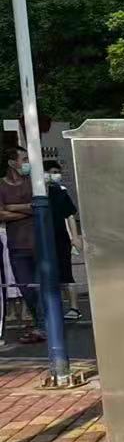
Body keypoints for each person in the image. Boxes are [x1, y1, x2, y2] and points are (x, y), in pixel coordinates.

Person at [0, 146, 41, 342]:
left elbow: (40, 207)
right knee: (26, 289)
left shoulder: (34, 183)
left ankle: (44, 326)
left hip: (38, 243)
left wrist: (12, 208)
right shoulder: (1, 186)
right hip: (17, 245)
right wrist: (27, 209)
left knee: (44, 287)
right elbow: (0, 214)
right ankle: (40, 322)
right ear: (12, 163)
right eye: (24, 159)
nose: (27, 163)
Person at [44, 160, 80, 322]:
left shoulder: (60, 192)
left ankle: (74, 308)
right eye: (52, 171)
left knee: (66, 274)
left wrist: (75, 237)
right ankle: (52, 308)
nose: (56, 175)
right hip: (43, 239)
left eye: (57, 172)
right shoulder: (37, 193)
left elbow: (70, 215)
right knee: (48, 275)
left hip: (61, 239)